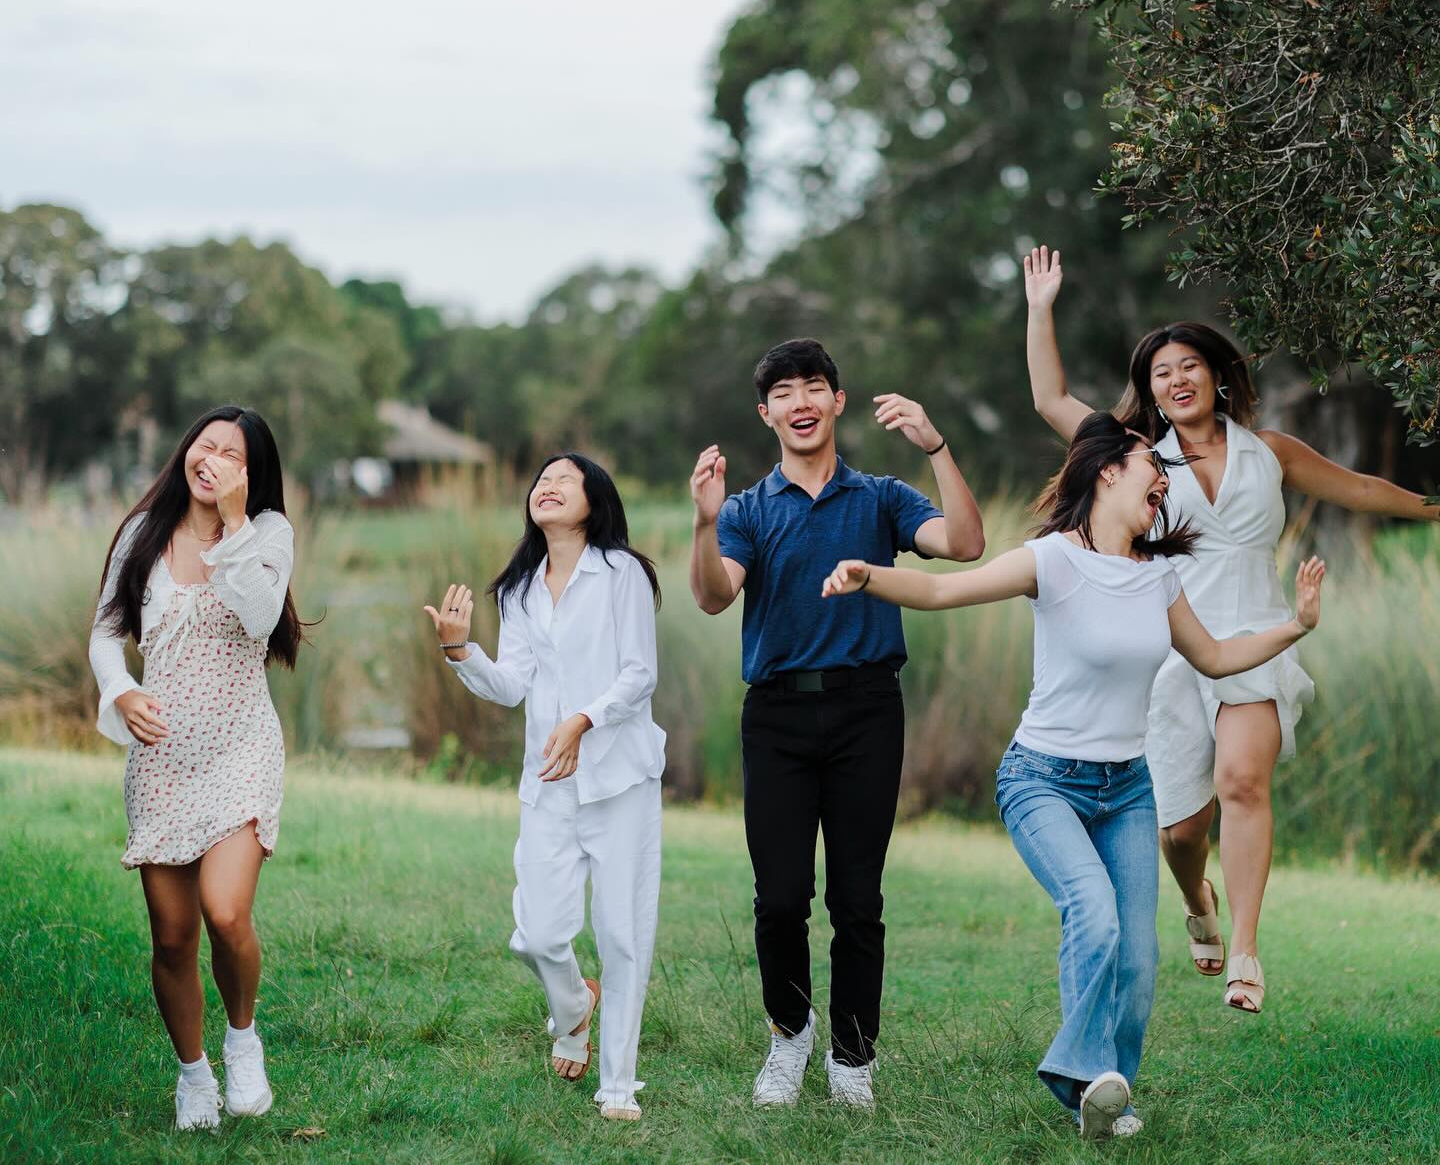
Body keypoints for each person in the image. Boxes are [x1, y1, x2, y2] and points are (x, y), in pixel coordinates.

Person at [822, 412, 1326, 1138]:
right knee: (1093, 911)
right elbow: (939, 593)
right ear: (1107, 471)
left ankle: (1109, 1096)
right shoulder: (1050, 561)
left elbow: (1214, 658)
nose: (1163, 479)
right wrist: (870, 576)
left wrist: (1296, 628)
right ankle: (1080, 1074)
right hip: (1043, 780)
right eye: (1152, 465)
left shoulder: (1159, 578)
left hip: (1126, 787)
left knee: (1140, 956)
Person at [1024, 246, 1437, 1013]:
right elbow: (1051, 398)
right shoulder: (1136, 459)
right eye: (1160, 374)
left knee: (1243, 782)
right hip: (1170, 646)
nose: (1175, 381)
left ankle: (1245, 952)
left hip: (1256, 637)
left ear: (1218, 377)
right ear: (1149, 392)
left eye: (1188, 367)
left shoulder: (1269, 452)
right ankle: (1200, 905)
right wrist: (1041, 305)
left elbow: (1361, 488)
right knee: (1181, 832)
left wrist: (1433, 507)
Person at [688, 338, 986, 1109]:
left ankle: (853, 1058)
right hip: (778, 716)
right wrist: (703, 523)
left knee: (859, 898)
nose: (801, 401)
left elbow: (965, 545)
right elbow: (716, 596)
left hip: (865, 711)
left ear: (837, 401)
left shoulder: (881, 496)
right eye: (784, 392)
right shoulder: (750, 510)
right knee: (780, 897)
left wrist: (937, 447)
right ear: (767, 414)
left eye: (814, 386)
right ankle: (791, 1035)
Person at [427, 452, 665, 1123]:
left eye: (565, 479)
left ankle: (618, 1085)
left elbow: (639, 672)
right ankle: (574, 1006)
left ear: (596, 499)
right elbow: (512, 685)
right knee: (535, 935)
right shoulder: (519, 588)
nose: (549, 487)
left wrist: (584, 721)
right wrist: (459, 649)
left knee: (622, 934)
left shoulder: (623, 574)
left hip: (619, 779)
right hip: (549, 784)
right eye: (541, 481)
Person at [89, 406, 302, 1131]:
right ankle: (193, 1076)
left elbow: (258, 615)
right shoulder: (141, 534)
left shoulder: (270, 535)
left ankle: (242, 1041)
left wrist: (237, 524)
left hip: (241, 744)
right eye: (204, 445)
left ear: (252, 471)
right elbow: (106, 636)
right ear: (186, 453)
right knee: (173, 935)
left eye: (231, 454)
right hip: (162, 757)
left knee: (225, 910)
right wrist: (120, 688)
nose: (211, 459)